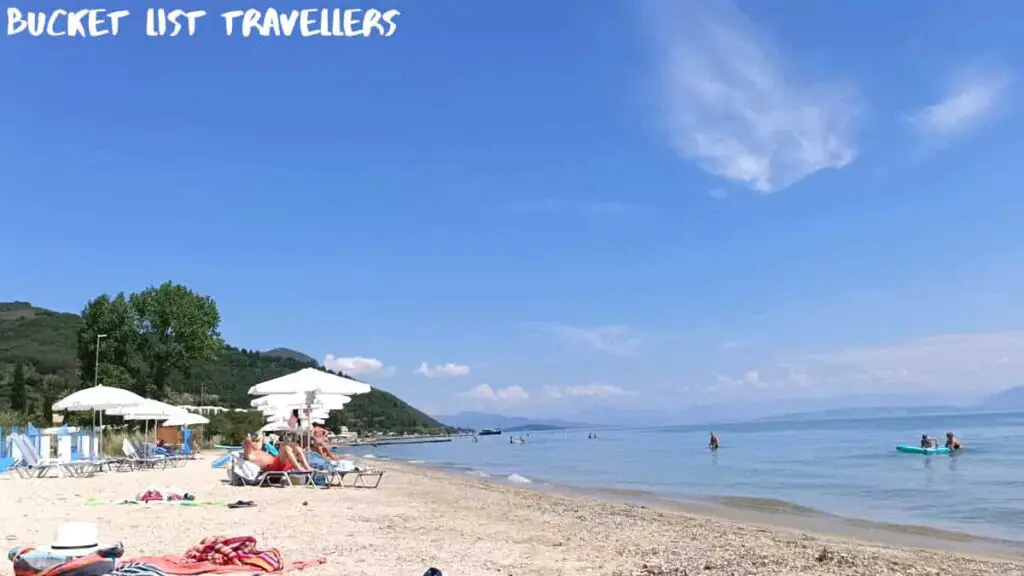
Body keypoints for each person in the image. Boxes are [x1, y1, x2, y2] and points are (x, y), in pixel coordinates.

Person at [243, 433, 312, 472]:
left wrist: (258, 437)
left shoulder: (260, 450)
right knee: (285, 447)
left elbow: (260, 439)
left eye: (256, 442)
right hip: (272, 467)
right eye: (254, 442)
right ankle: (298, 468)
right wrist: (248, 439)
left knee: (296, 446)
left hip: (279, 463)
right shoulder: (250, 454)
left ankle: (307, 467)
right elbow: (247, 446)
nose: (256, 443)